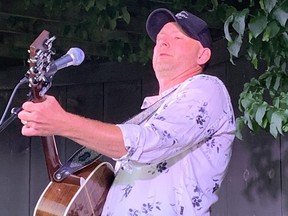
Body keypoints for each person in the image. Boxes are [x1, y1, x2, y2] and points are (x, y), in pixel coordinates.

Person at [18, 8, 235, 216]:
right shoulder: (151, 113)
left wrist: (62, 123)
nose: (163, 42)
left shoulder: (207, 88)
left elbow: (150, 144)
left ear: (203, 55)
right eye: (159, 39)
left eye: (177, 38)